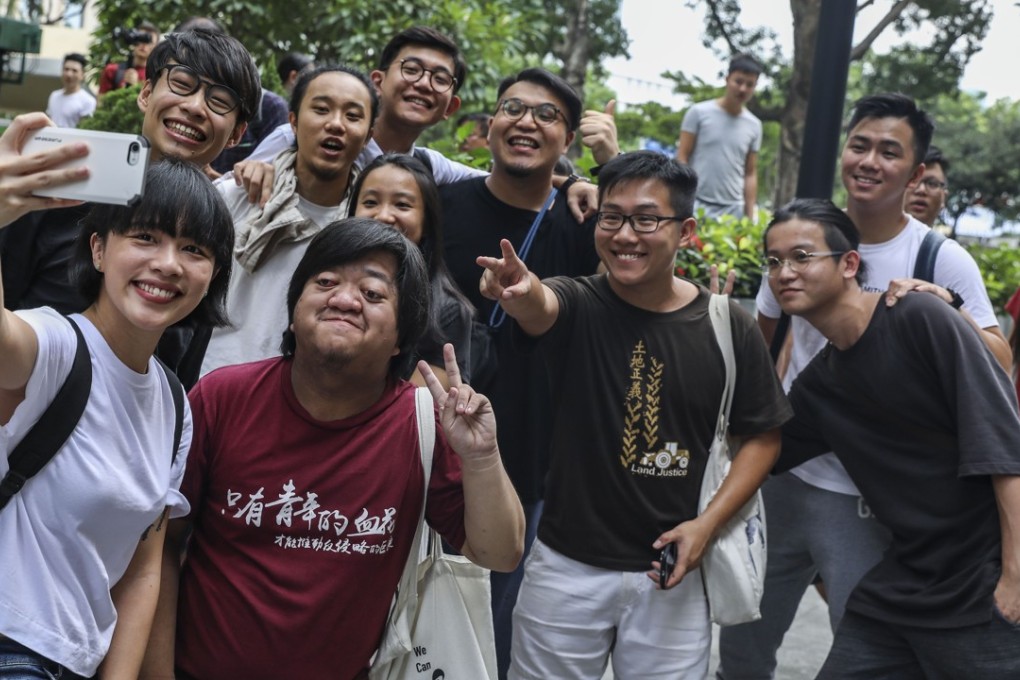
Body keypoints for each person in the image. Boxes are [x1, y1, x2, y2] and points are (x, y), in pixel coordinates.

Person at [141, 217, 525, 680]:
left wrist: (481, 455)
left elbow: (500, 553)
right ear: (295, 306)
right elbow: (161, 547)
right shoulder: (222, 397)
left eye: (373, 294)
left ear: (401, 335)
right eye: (325, 282)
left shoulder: (424, 423)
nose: (344, 300)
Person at [718, 93, 1012, 680]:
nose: (786, 273)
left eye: (889, 151)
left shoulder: (932, 278)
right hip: (852, 517)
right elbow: (763, 384)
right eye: (860, 145)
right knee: (746, 643)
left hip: (922, 535)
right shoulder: (803, 260)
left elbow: (998, 411)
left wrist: (947, 314)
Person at [476, 150, 790, 679]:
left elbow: (762, 436)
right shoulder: (578, 301)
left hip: (673, 573)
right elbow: (540, 304)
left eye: (646, 219)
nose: (625, 234)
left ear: (686, 230)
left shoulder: (725, 325)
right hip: (564, 567)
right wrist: (520, 289)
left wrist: (705, 527)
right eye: (612, 217)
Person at [762, 198, 1020, 678]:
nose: (784, 273)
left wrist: (1015, 577)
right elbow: (763, 448)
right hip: (902, 584)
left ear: (849, 264)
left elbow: (1003, 445)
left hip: (982, 583)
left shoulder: (918, 315)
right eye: (773, 262)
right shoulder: (821, 381)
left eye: (801, 257)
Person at [0, 157, 235, 679]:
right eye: (145, 237)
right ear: (99, 249)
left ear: (213, 275)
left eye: (193, 248)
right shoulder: (56, 345)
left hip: (78, 662)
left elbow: (143, 565)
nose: (169, 263)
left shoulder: (175, 405)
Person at [438, 67, 601, 679]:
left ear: (567, 142)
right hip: (421, 439)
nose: (526, 121)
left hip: (527, 452)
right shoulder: (442, 204)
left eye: (547, 115)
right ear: (489, 125)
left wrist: (592, 180)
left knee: (488, 622)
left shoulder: (585, 227)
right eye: (513, 107)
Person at [1, 28, 262, 380]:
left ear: (236, 134)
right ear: (146, 93)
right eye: (182, 83)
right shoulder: (61, 181)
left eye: (219, 101)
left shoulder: (214, 226)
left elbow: (185, 362)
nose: (195, 106)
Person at [239, 27, 597, 221]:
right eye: (411, 70)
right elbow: (228, 190)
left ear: (449, 107)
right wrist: (254, 169)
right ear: (377, 81)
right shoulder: (300, 136)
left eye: (440, 78)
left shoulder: (428, 167)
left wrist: (571, 183)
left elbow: (499, 181)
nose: (424, 83)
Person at [199, 64, 376, 377]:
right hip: (214, 384)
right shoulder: (237, 197)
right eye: (321, 109)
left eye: (352, 115)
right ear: (293, 121)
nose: (336, 124)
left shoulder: (369, 228)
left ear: (368, 137)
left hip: (312, 397)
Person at [349, 152, 474, 386]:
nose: (384, 216)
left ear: (427, 221)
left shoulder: (446, 310)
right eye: (370, 202)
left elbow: (420, 406)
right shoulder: (325, 282)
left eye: (402, 205)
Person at [676, 53, 762, 219]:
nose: (743, 88)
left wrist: (750, 216)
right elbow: (682, 157)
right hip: (697, 203)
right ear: (727, 79)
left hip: (733, 209)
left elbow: (750, 172)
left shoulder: (755, 125)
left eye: (750, 84)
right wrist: (683, 199)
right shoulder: (698, 113)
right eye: (738, 81)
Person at [98, 21, 161, 95]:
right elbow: (101, 102)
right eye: (140, 38)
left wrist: (136, 87)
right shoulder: (112, 70)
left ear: (156, 46)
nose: (144, 44)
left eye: (148, 41)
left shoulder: (158, 76)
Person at [904, 144, 949, 228]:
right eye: (913, 179)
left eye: (932, 183)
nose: (921, 190)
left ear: (944, 197)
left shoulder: (945, 242)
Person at [45, 53, 96, 128]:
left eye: (74, 71)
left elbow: (85, 129)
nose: (69, 74)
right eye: (66, 69)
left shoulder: (88, 101)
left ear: (82, 75)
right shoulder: (54, 95)